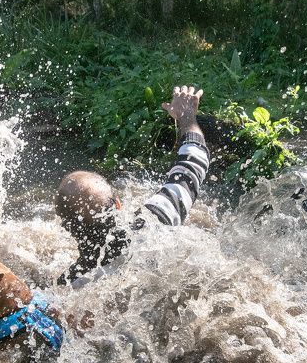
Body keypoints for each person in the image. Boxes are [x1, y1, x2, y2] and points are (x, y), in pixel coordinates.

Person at [54, 85, 210, 285]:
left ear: (65, 226)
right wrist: (186, 116)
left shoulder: (66, 285)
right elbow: (193, 163)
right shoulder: (154, 224)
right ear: (118, 204)